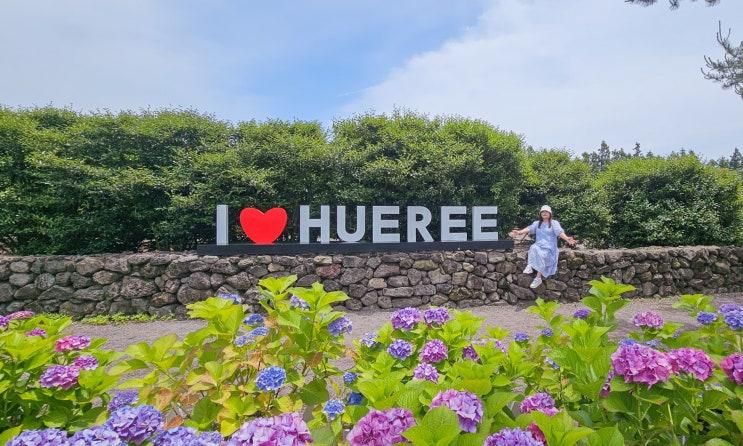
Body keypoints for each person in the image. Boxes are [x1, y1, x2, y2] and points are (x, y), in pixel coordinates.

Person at [509, 205, 577, 289]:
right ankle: (530, 266)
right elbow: (529, 228)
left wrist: (567, 238)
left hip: (549, 247)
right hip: (539, 245)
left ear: (550, 213)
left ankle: (538, 278)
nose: (544, 213)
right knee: (533, 248)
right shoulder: (537, 223)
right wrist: (519, 232)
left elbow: (559, 232)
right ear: (540, 214)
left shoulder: (554, 223)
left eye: (546, 212)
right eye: (543, 212)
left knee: (542, 255)